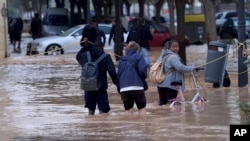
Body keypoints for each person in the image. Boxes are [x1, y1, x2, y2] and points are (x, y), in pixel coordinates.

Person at [76, 24, 117, 115]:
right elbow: (112, 72)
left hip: (88, 86)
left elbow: (78, 57)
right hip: (101, 87)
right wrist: (118, 84)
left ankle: (91, 129)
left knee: (90, 112)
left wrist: (84, 46)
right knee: (103, 113)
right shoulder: (105, 56)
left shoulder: (82, 55)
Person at [157, 40, 195, 106]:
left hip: (160, 83)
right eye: (173, 47)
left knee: (163, 104)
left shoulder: (162, 55)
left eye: (177, 46)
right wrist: (192, 68)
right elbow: (180, 67)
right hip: (171, 84)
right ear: (169, 47)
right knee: (171, 105)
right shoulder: (173, 57)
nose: (175, 48)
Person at [117, 41, 148, 115]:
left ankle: (128, 125)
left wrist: (119, 88)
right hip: (137, 87)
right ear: (137, 50)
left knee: (128, 110)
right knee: (142, 108)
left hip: (124, 89)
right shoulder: (139, 56)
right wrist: (143, 78)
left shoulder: (122, 59)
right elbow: (142, 70)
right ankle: (143, 125)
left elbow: (118, 75)